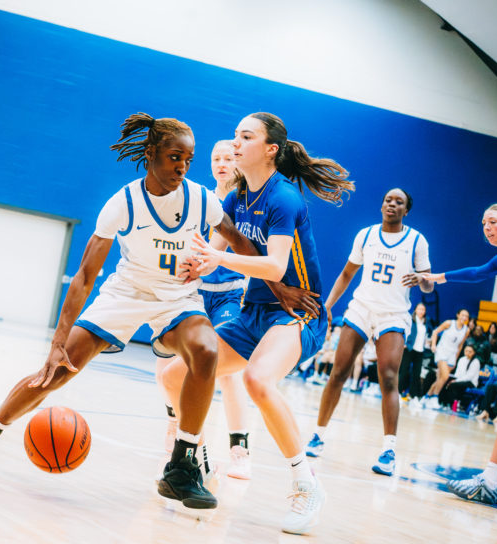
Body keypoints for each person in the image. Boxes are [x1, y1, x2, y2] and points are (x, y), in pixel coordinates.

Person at [0, 113, 264, 510]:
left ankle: (181, 466)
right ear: (151, 154)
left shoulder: (203, 199)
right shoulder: (124, 202)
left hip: (176, 297)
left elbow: (243, 246)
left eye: (188, 158)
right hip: (126, 293)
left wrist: (280, 285)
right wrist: (58, 342)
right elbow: (84, 276)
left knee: (206, 350)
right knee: (58, 372)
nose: (182, 166)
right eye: (173, 157)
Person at [161, 112, 353, 534]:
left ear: (270, 150)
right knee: (176, 375)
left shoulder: (284, 198)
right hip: (254, 312)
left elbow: (274, 264)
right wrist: (192, 264)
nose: (235, 143)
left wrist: (220, 258)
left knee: (258, 381)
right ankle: (197, 460)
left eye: (245, 137)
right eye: (234, 135)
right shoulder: (235, 198)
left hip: (299, 312)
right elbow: (211, 251)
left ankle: (307, 483)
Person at [304, 188, 432, 477]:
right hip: (362, 308)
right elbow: (347, 274)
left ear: (406, 210)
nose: (392, 204)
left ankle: (388, 449)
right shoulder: (366, 235)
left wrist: (423, 278)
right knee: (338, 371)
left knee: (388, 377)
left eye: (399, 202)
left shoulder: (416, 241)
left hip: (393, 314)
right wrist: (327, 305)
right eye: (388, 199)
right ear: (382, 204)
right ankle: (318, 435)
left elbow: (428, 285)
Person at [422, 203, 497, 509]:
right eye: (483, 223)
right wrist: (436, 278)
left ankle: (489, 481)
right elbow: (476, 273)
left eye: (493, 222)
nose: (487, 228)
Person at [155, 139, 253, 480]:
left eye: (228, 158)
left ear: (239, 162)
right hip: (193, 293)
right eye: (216, 158)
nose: (222, 163)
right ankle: (179, 428)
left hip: (229, 295)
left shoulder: (244, 202)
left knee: (227, 372)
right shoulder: (198, 200)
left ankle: (240, 448)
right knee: (166, 362)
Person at [422, 308, 470, 409]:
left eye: (466, 316)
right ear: (458, 315)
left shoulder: (466, 330)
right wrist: (433, 345)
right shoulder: (449, 323)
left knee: (440, 379)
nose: (464, 317)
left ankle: (426, 397)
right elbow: (435, 332)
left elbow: (460, 346)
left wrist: (455, 359)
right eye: (463, 315)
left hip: (452, 355)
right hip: (442, 351)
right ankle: (434, 397)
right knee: (445, 376)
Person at [398, 302, 432, 400]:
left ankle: (413, 395)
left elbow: (429, 334)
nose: (421, 311)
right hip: (409, 349)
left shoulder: (426, 322)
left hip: (420, 351)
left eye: (423, 310)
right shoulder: (410, 320)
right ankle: (398, 392)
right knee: (404, 371)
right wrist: (403, 343)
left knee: (416, 374)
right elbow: (403, 331)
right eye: (419, 309)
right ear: (416, 310)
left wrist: (429, 342)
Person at [438, 344, 481, 409]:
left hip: (470, 382)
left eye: (470, 351)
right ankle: (441, 401)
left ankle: (450, 403)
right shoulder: (462, 359)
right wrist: (453, 379)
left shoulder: (476, 362)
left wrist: (456, 381)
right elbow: (457, 373)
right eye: (466, 351)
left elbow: (469, 376)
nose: (467, 353)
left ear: (474, 353)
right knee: (445, 380)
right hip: (460, 379)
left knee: (453, 384)